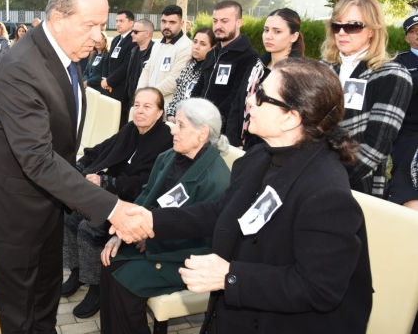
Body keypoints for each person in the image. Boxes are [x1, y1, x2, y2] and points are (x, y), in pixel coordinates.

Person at [116, 58, 374, 334]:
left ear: (291, 118)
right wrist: (153, 220)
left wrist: (230, 276)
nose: (250, 99)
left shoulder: (325, 192)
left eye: (261, 95)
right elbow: (221, 211)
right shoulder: (259, 156)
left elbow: (319, 287)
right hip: (238, 312)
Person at [0, 0, 154, 334]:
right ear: (57, 18)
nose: (99, 37)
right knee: (21, 316)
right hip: (12, 213)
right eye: (91, 25)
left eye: (103, 25)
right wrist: (113, 208)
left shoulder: (67, 53)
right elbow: (37, 158)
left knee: (45, 303)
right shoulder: (21, 67)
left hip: (47, 204)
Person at [99, 97, 231, 334]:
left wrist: (150, 240)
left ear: (202, 133)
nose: (173, 132)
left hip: (183, 254)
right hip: (151, 238)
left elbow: (207, 237)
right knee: (108, 263)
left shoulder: (216, 178)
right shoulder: (169, 157)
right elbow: (146, 195)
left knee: (125, 283)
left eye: (180, 125)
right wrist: (122, 230)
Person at [62, 87, 173, 318]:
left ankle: (96, 287)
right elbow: (106, 148)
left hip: (135, 202)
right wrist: (83, 165)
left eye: (147, 106)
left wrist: (106, 181)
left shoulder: (164, 140)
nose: (139, 111)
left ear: (160, 112)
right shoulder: (132, 129)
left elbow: (145, 183)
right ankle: (77, 271)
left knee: (89, 228)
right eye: (137, 105)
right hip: (113, 193)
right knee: (70, 213)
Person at [321, 0, 412, 198]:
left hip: (359, 186)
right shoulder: (321, 69)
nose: (342, 32)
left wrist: (328, 180)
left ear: (372, 30)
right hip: (310, 176)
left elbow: (376, 147)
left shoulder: (392, 75)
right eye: (337, 25)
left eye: (353, 26)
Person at [227, 8, 304, 150]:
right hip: (239, 147)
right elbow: (237, 104)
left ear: (293, 36)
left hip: (271, 151)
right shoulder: (255, 67)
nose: (268, 36)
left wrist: (251, 150)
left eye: (277, 31)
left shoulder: (298, 73)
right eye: (266, 30)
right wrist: (234, 140)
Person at [191, 0, 259, 132]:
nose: (218, 26)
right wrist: (192, 112)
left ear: (239, 23)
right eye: (215, 21)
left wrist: (211, 120)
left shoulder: (248, 57)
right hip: (199, 125)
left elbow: (236, 97)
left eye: (224, 21)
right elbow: (199, 87)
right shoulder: (212, 53)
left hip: (223, 129)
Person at [138, 5, 193, 109]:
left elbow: (174, 81)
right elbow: (147, 69)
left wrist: (149, 96)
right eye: (164, 21)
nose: (167, 26)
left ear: (181, 24)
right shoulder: (157, 44)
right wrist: (140, 92)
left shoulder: (186, 47)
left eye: (172, 22)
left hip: (166, 108)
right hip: (147, 104)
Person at [388, 14, 418, 209]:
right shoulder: (399, 62)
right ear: (407, 38)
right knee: (406, 183)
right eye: (413, 32)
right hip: (407, 134)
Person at [166, 27, 216, 121]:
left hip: (195, 120)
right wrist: (170, 113)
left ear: (212, 48)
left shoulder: (211, 70)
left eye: (203, 44)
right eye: (195, 41)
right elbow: (178, 93)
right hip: (177, 118)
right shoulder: (189, 66)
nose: (196, 46)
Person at [101, 10, 136, 127]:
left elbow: (126, 66)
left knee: (119, 121)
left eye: (121, 21)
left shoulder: (133, 41)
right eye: (117, 21)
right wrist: (105, 79)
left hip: (121, 88)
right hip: (110, 87)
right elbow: (108, 60)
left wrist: (109, 81)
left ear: (131, 23)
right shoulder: (116, 39)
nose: (118, 24)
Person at [124, 19, 155, 121]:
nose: (132, 34)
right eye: (132, 31)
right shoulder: (134, 50)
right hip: (131, 100)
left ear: (147, 33)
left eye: (136, 32)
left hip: (144, 102)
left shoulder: (155, 51)